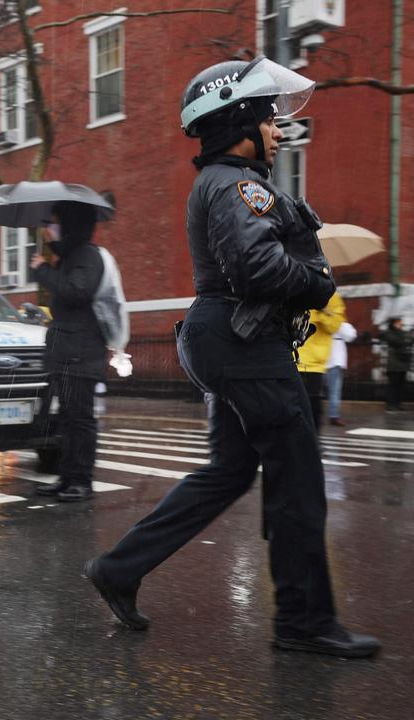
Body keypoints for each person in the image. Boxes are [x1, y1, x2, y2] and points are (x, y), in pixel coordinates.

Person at [84, 56, 380, 658]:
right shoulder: (233, 184)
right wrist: (316, 280)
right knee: (297, 477)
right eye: (268, 118)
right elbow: (256, 267)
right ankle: (302, 622)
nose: (277, 129)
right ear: (239, 119)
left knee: (230, 470)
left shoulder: (232, 185)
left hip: (230, 339)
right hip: (245, 345)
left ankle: (119, 568)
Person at [30, 202, 108, 503]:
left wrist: (44, 271)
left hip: (82, 354)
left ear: (70, 225)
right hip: (66, 353)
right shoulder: (69, 257)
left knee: (80, 420)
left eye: (54, 223)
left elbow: (77, 293)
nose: (48, 229)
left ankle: (82, 481)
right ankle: (66, 477)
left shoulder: (87, 255)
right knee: (66, 419)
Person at [295, 291, 344, 431]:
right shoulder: (294, 288)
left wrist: (323, 310)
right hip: (292, 359)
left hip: (314, 364)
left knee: (312, 407)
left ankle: (313, 443)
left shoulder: (331, 296)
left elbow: (334, 326)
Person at [324, 310, 356, 426]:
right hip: (334, 362)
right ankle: (334, 416)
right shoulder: (338, 323)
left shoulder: (322, 320)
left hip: (320, 360)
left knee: (316, 390)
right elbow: (351, 335)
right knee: (334, 391)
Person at [381, 318, 411, 412]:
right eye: (399, 323)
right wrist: (406, 339)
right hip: (394, 364)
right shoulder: (389, 333)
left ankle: (398, 404)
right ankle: (390, 405)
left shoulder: (402, 332)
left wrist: (406, 338)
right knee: (393, 385)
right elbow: (399, 341)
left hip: (403, 363)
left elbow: (409, 340)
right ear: (394, 324)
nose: (401, 324)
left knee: (400, 385)